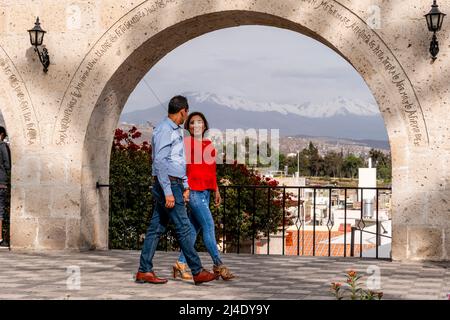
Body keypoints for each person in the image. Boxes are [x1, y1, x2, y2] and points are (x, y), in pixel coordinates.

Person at [135, 95, 218, 285]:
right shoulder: (166, 130)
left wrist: (185, 185)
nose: (186, 117)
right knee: (184, 228)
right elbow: (160, 163)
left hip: (174, 184)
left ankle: (144, 270)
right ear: (182, 111)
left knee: (156, 229)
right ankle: (197, 271)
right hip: (169, 185)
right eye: (186, 113)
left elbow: (178, 162)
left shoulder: (173, 130)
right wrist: (169, 192)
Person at [172, 112, 235, 281]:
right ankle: (218, 264)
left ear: (205, 126)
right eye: (192, 122)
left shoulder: (208, 144)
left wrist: (216, 189)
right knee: (209, 226)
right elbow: (182, 168)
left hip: (206, 191)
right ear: (189, 127)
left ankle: (180, 263)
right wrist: (184, 189)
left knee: (194, 229)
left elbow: (211, 171)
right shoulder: (186, 143)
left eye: (199, 122)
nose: (196, 125)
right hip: (193, 192)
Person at [0, 126, 10, 247]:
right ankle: (0, 238)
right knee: (0, 210)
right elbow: (8, 164)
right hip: (1, 182)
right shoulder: (2, 146)